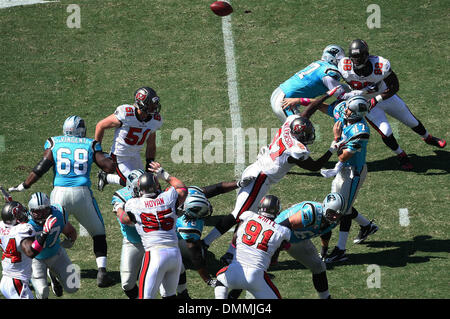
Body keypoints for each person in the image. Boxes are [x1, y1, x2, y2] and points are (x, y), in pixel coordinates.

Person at [200, 113, 338, 251]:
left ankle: (231, 252)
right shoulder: (295, 150)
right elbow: (314, 166)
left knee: (248, 215)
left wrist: (322, 99)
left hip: (257, 168)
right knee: (238, 214)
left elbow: (304, 115)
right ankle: (205, 243)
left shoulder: (289, 124)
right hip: (259, 179)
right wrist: (332, 148)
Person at [8, 115, 116, 287]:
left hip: (59, 194)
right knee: (98, 233)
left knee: (49, 230)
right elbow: (108, 166)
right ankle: (102, 272)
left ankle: (46, 269)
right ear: (81, 130)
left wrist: (25, 184)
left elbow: (41, 167)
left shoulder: (55, 142)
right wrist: (112, 158)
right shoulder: (90, 144)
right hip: (82, 193)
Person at [338, 39, 446, 170]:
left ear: (366, 55)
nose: (356, 60)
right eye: (353, 57)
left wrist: (376, 99)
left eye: (359, 56)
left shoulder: (379, 65)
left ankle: (428, 137)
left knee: (411, 120)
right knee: (386, 131)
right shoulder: (344, 67)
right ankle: (401, 155)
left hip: (386, 97)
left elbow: (394, 86)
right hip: (366, 104)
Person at [300, 94, 379, 263]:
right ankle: (367, 226)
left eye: (349, 109)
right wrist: (302, 101)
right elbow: (325, 108)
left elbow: (343, 157)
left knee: (341, 210)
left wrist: (336, 138)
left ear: (357, 113)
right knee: (341, 204)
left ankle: (341, 250)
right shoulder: (345, 111)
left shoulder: (361, 132)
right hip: (344, 170)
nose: (346, 110)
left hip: (353, 172)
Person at [113, 167, 187, 299]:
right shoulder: (168, 196)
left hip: (155, 255)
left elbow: (124, 219)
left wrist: (118, 209)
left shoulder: (133, 204)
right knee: (169, 296)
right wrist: (165, 175)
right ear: (156, 185)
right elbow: (182, 189)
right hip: (175, 254)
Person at [214, 195, 291, 299]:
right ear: (277, 211)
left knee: (220, 279)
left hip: (234, 271)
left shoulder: (247, 215)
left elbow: (235, 239)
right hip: (256, 276)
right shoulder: (283, 231)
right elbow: (273, 262)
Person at [275, 192, 346, 299]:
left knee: (318, 266)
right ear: (325, 207)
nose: (335, 216)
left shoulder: (334, 220)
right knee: (260, 267)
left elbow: (326, 231)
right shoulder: (311, 213)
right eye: (332, 213)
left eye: (338, 214)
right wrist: (276, 248)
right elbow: (282, 226)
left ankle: (325, 297)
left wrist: (324, 250)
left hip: (297, 239)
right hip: (277, 232)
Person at [95, 87, 163, 190]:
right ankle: (106, 177)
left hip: (135, 156)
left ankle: (106, 177)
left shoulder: (155, 120)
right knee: (139, 186)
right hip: (119, 157)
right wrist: (97, 151)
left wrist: (150, 164)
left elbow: (151, 144)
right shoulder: (126, 114)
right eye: (151, 105)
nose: (154, 107)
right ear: (141, 104)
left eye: (155, 104)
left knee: (153, 185)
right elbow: (100, 125)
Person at [271, 44, 358, 122]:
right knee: (300, 131)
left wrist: (350, 88)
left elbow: (333, 87)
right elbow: (340, 94)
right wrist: (360, 94)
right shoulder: (329, 71)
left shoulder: (320, 65)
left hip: (280, 94)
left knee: (297, 133)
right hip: (285, 100)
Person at [0, 201, 57, 299]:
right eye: (20, 213)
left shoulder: (2, 226)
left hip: (5, 280)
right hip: (17, 281)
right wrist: (45, 233)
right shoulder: (23, 229)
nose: (24, 214)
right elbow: (31, 252)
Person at [27, 192, 78, 299]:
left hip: (56, 253)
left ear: (49, 208)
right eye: (37, 212)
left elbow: (70, 231)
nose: (41, 215)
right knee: (42, 292)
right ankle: (51, 274)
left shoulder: (58, 215)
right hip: (36, 259)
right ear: (31, 211)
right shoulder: (26, 223)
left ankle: (53, 274)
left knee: (73, 286)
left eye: (44, 211)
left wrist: (70, 240)